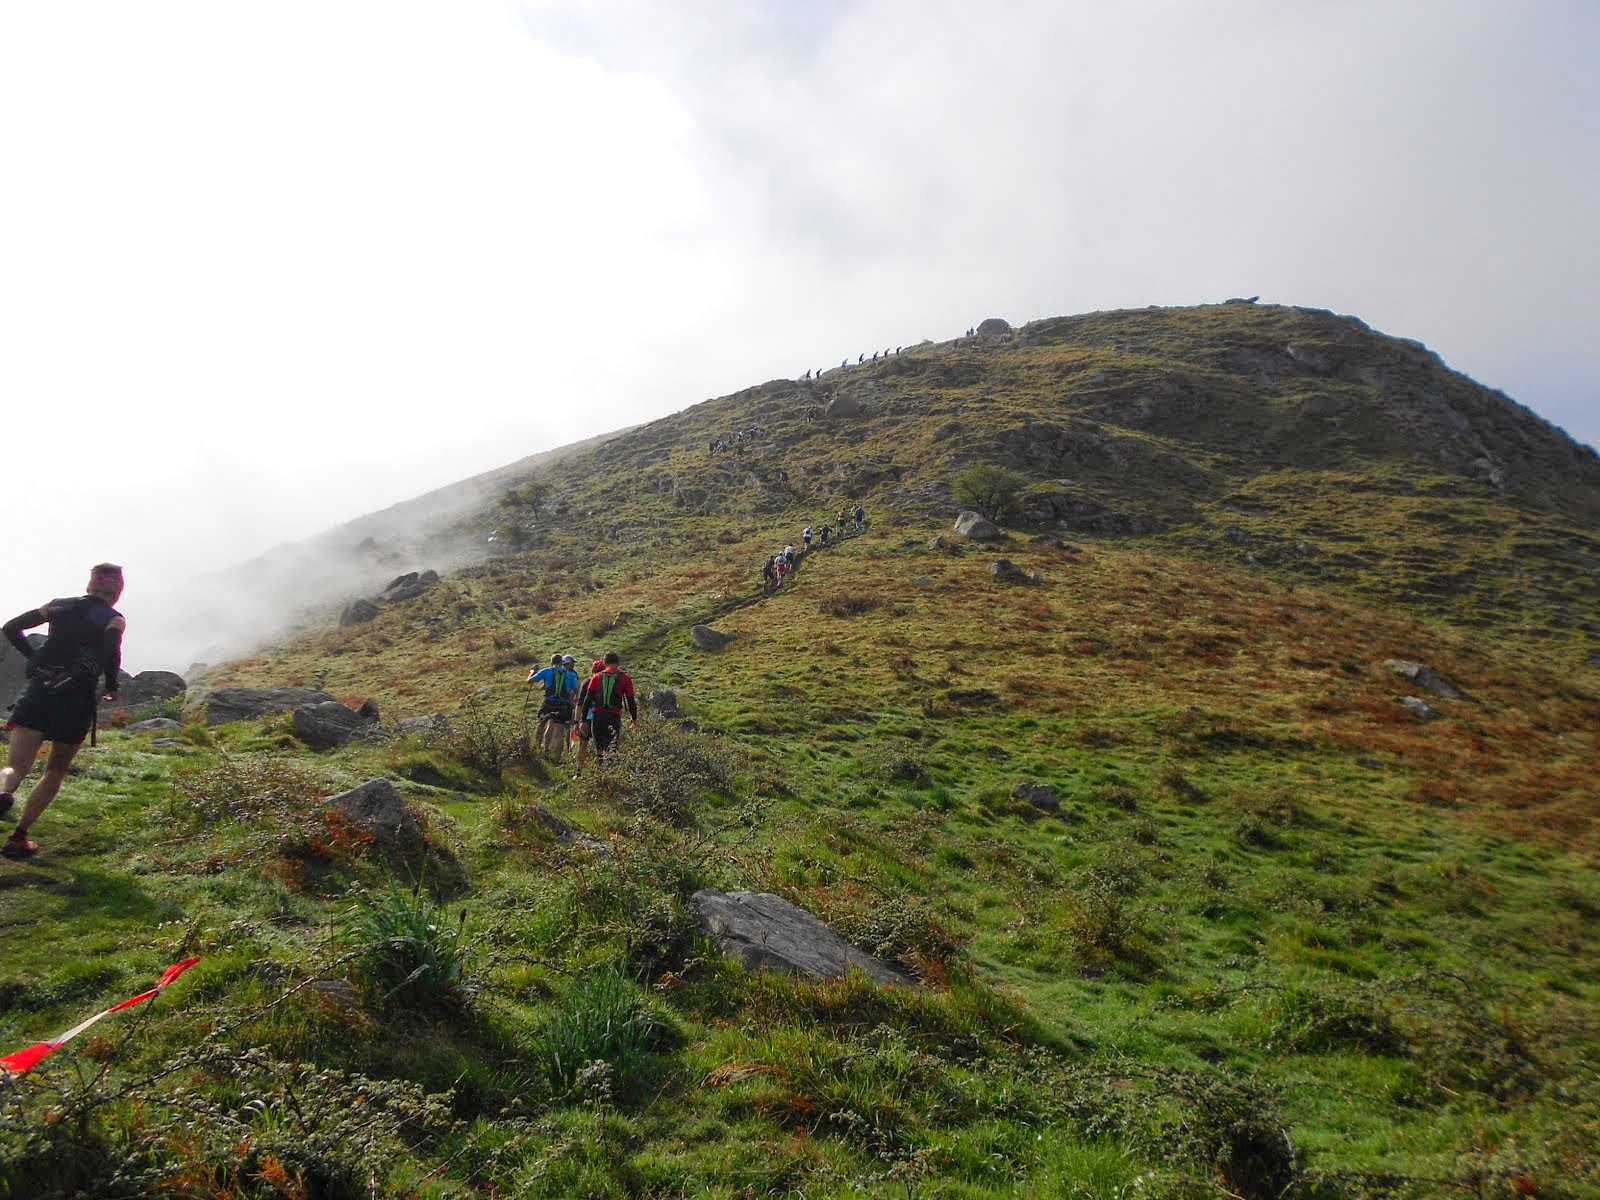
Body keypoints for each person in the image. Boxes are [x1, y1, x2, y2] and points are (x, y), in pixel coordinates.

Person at [0, 564, 126, 857]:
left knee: (17, 766)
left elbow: (10, 627)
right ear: (117, 593)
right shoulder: (114, 619)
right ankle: (19, 837)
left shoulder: (57, 606)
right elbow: (111, 650)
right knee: (55, 770)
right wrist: (110, 685)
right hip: (76, 700)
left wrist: (35, 657)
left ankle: (4, 794)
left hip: (39, 691)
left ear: (89, 586)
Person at [584, 652, 637, 762]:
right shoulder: (625, 678)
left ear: (605, 662)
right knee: (610, 749)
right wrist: (634, 718)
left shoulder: (596, 677)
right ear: (618, 663)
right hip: (613, 716)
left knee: (599, 750)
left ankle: (599, 775)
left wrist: (583, 720)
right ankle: (608, 774)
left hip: (597, 716)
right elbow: (631, 700)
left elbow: (587, 699)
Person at [527, 653, 580, 762]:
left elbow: (529, 681)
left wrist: (532, 672)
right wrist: (573, 701)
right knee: (559, 731)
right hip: (562, 704)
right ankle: (556, 759)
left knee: (542, 723)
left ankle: (540, 749)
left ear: (551, 662)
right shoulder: (570, 675)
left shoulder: (547, 671)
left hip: (548, 702)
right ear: (562, 663)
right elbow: (575, 690)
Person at [572, 657, 604, 772]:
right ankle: (600, 773)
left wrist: (577, 721)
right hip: (601, 718)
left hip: (587, 718)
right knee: (601, 747)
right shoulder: (606, 682)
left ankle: (578, 771)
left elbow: (580, 703)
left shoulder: (587, 682)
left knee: (582, 745)